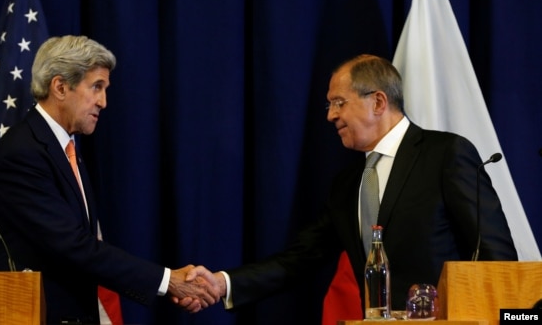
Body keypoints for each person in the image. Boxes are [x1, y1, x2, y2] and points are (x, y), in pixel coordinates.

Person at [177, 54, 518, 317]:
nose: (330, 115)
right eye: (330, 105)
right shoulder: (347, 184)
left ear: (378, 102)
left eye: (339, 102)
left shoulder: (445, 154)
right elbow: (300, 259)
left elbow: (495, 255)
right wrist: (223, 283)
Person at [0, 35, 219, 324]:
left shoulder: (64, 148)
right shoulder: (22, 153)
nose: (104, 102)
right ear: (60, 87)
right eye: (96, 87)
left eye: (105, 89)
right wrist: (168, 280)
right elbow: (73, 246)